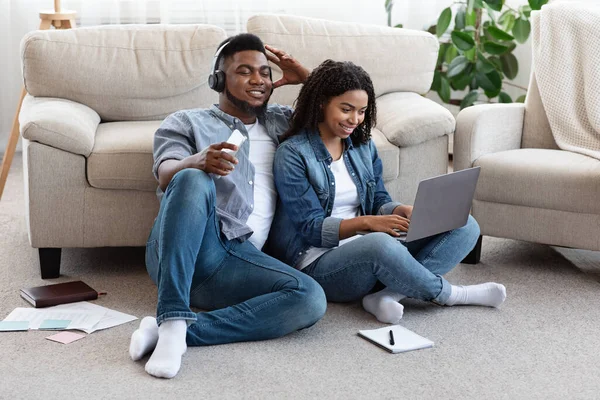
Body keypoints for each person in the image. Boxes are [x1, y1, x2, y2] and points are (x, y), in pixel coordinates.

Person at [129, 33, 326, 379]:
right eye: (245, 71)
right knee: (192, 178)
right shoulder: (186, 121)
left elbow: (345, 115)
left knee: (310, 298)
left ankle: (181, 332)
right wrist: (197, 160)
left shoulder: (283, 122)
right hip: (186, 251)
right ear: (218, 80)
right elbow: (165, 174)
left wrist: (305, 77)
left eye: (265, 73)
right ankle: (172, 317)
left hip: (237, 260)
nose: (259, 80)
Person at [265, 60, 506, 326]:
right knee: (381, 244)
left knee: (464, 223)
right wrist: (369, 223)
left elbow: (378, 198)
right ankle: (451, 294)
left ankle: (389, 295)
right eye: (346, 110)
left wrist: (396, 210)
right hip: (318, 262)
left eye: (361, 111)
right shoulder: (293, 153)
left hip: (369, 244)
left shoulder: (361, 146)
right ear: (322, 102)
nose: (355, 120)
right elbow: (310, 228)